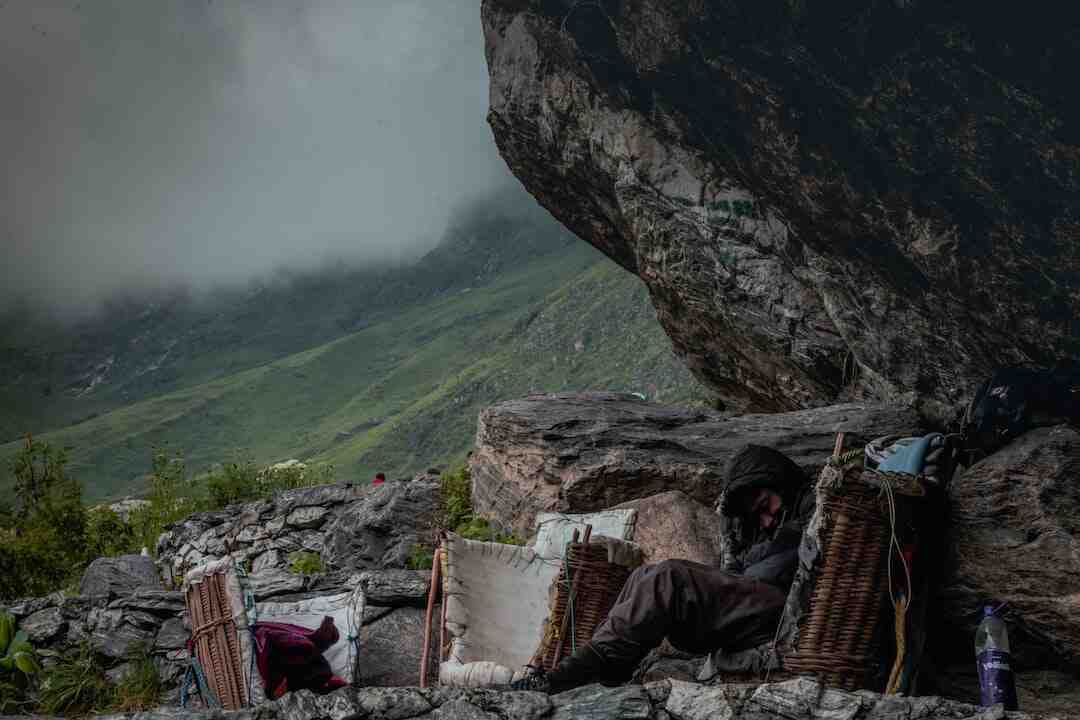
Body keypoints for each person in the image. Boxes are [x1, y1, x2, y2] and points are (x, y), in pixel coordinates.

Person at [514, 444, 814, 693]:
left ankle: (572, 672)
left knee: (668, 577)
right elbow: (738, 572)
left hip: (785, 609)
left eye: (765, 505)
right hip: (751, 610)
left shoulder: (810, 513)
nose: (765, 520)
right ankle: (604, 665)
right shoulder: (761, 528)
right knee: (642, 576)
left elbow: (764, 573)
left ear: (780, 483)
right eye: (757, 515)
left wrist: (746, 564)